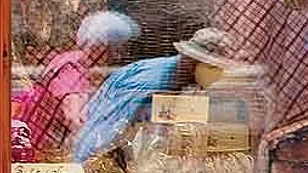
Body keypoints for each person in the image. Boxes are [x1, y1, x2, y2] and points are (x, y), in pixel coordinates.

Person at [74, 26, 235, 162]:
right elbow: (102, 134)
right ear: (191, 62)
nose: (219, 75)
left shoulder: (180, 82)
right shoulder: (149, 84)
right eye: (213, 67)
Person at [15, 10, 140, 157]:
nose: (119, 56)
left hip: (51, 150)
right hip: (40, 155)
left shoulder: (78, 62)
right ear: (97, 46)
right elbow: (76, 122)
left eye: (121, 50)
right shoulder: (71, 70)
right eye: (114, 50)